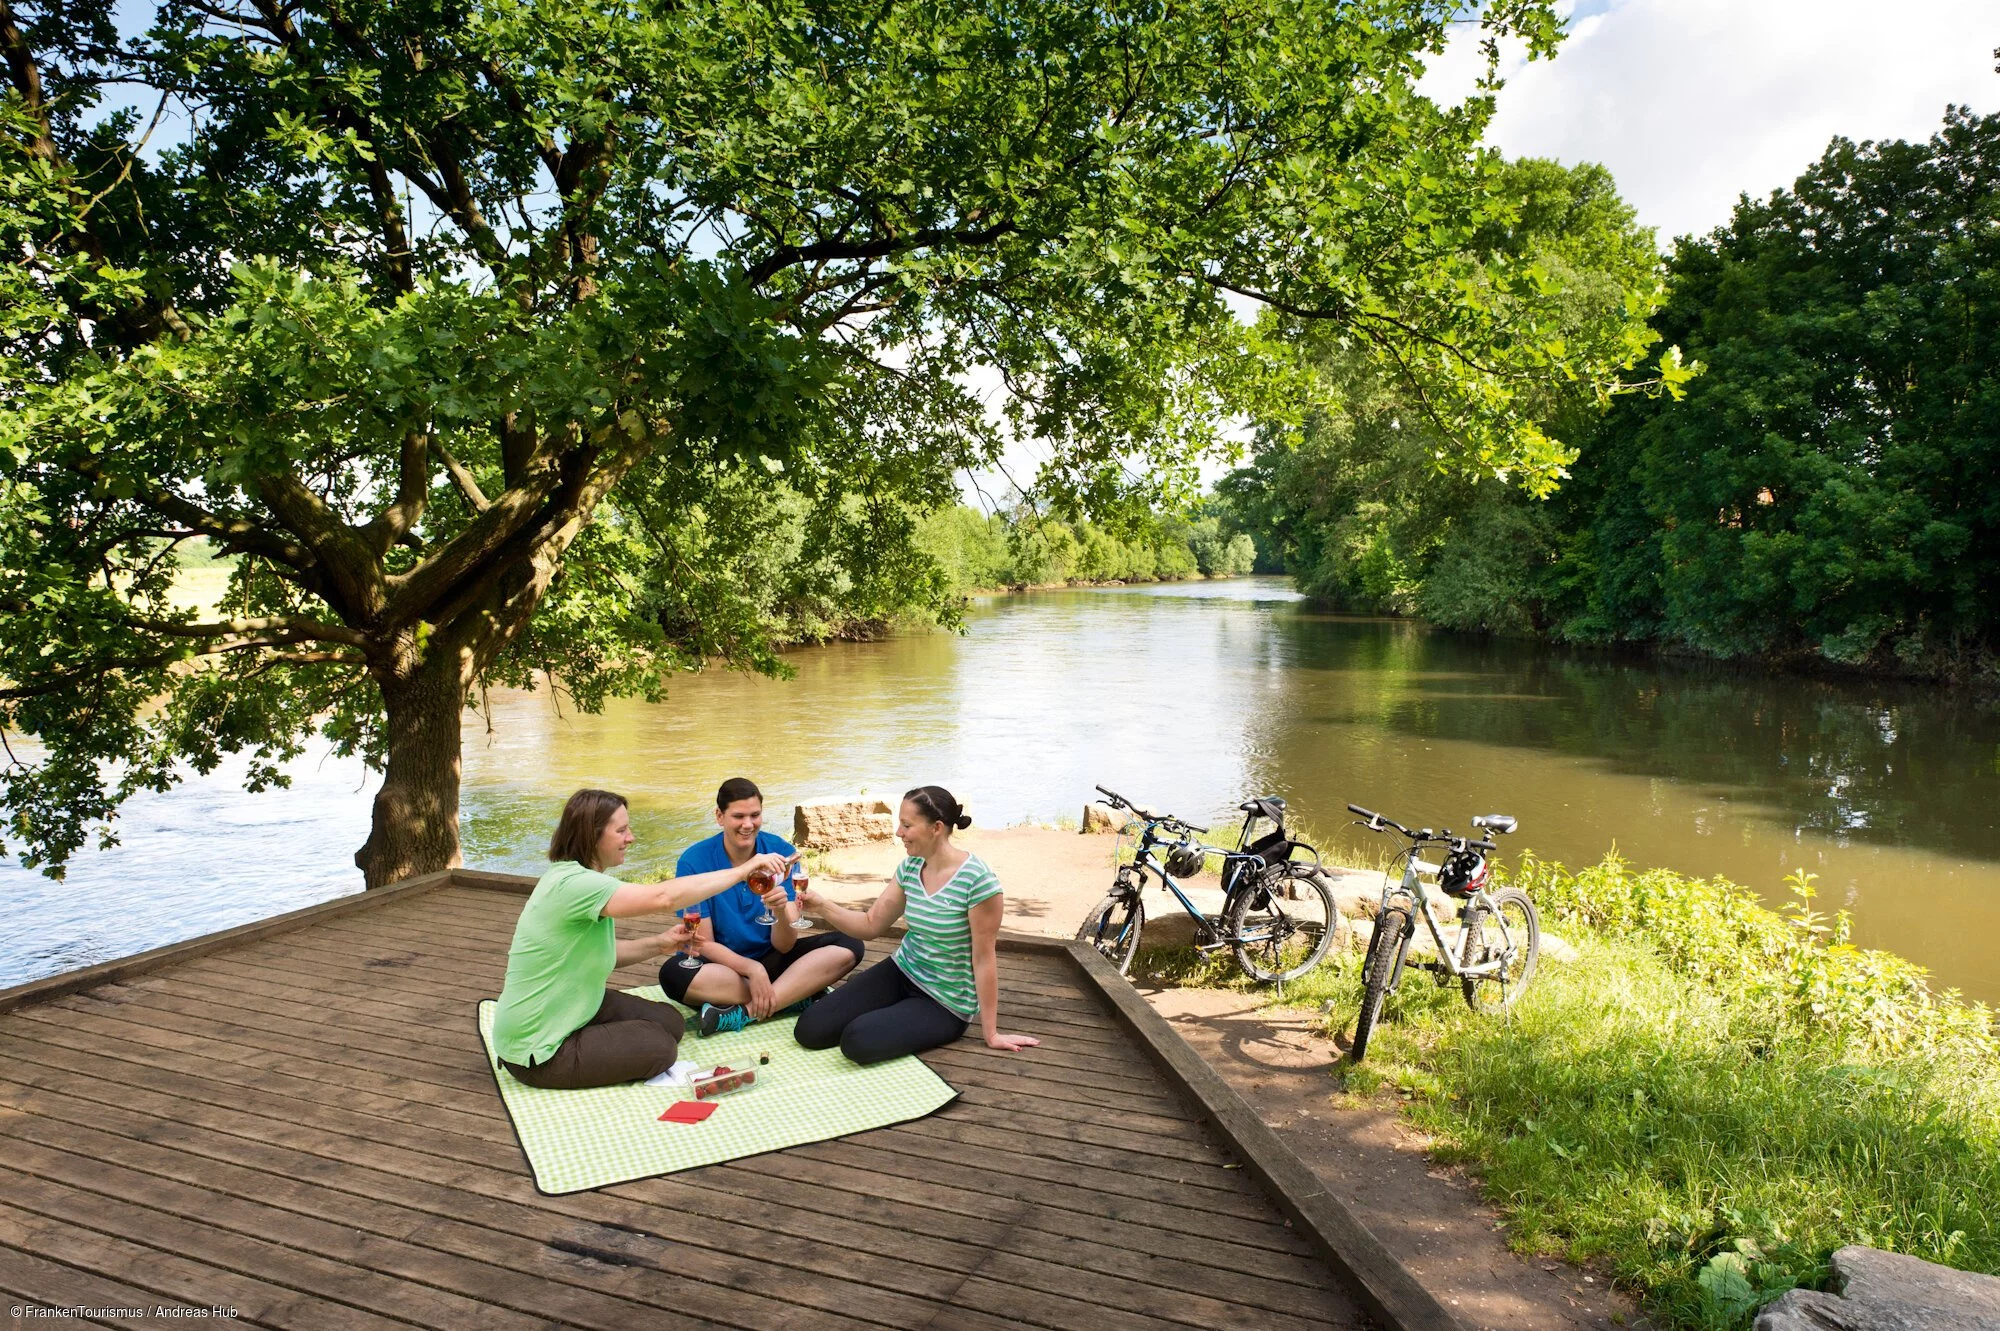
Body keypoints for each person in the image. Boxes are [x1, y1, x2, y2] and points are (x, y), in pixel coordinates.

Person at [492, 787, 794, 1090]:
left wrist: (661, 944)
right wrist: (742, 871)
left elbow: (603, 952)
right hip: (540, 1049)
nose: (631, 837)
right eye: (621, 830)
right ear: (591, 835)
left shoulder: (576, 877)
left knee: (671, 1022)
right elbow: (662, 897)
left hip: (576, 1007)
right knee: (661, 1048)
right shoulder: (575, 885)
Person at [794, 785, 1039, 1064]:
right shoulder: (911, 868)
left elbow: (984, 959)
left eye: (907, 825)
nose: (898, 832)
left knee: (856, 1041)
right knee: (810, 1029)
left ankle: (901, 1015)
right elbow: (871, 925)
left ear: (936, 828)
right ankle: (892, 1010)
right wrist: (822, 905)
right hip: (903, 971)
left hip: (944, 1001)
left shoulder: (978, 882)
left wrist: (991, 1033)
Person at [661, 777, 865, 1035]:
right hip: (725, 969)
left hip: (773, 958)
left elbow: (785, 945)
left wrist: (780, 909)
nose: (748, 824)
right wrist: (752, 969)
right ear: (719, 816)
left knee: (849, 946)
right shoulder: (694, 861)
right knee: (673, 974)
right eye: (738, 816)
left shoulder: (781, 852)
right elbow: (703, 943)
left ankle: (743, 1013)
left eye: (755, 815)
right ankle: (793, 995)